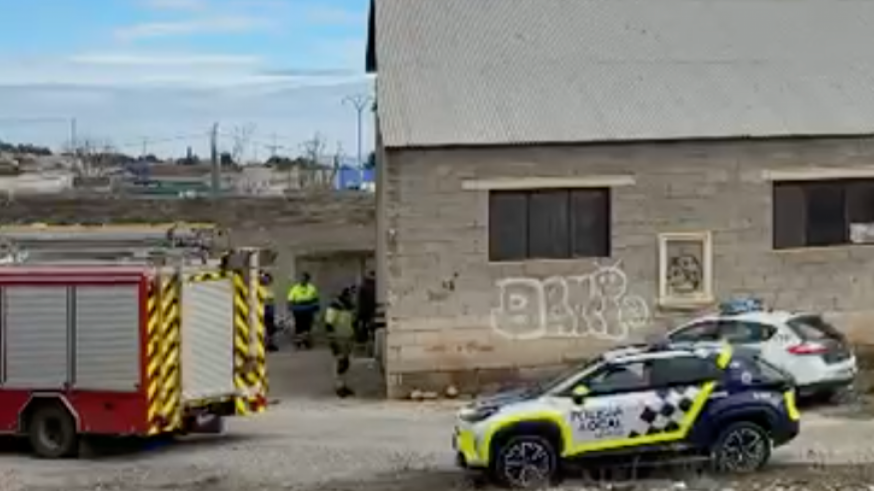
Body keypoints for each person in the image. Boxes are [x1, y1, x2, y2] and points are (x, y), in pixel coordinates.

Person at [325, 288, 356, 398]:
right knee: (339, 362)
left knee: (345, 363)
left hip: (347, 337)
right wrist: (332, 340)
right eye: (351, 296)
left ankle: (343, 385)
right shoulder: (334, 306)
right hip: (338, 338)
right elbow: (328, 323)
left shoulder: (348, 306)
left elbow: (350, 322)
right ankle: (338, 386)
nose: (353, 298)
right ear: (345, 296)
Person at [287, 272, 320, 350]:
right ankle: (298, 342)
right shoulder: (295, 288)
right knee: (299, 327)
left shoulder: (312, 288)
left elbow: (316, 299)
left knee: (307, 327)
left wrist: (316, 308)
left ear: (307, 280)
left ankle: (306, 342)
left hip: (309, 309)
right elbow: (290, 299)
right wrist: (290, 307)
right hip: (298, 309)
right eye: (301, 278)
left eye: (304, 278)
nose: (302, 280)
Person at [355, 271, 376, 345]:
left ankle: (363, 342)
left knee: (363, 328)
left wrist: (359, 314)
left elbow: (361, 302)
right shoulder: (377, 286)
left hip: (365, 312)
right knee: (374, 329)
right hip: (374, 311)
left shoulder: (363, 287)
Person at [261, 272, 279, 352]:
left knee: (271, 329)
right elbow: (264, 300)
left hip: (270, 310)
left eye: (268, 279)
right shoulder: (260, 288)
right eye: (266, 279)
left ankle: (270, 344)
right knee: (264, 328)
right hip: (263, 309)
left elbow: (271, 300)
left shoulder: (270, 289)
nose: (267, 281)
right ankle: (264, 344)